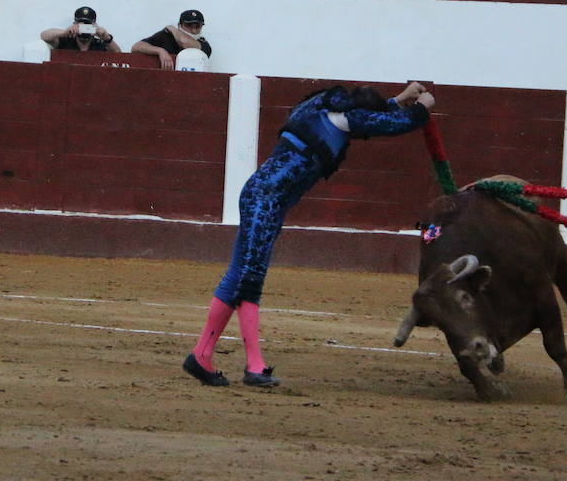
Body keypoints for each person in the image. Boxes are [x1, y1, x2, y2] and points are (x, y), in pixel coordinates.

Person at [183, 82, 434, 388]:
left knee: (238, 277)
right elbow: (391, 124)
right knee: (249, 280)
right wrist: (422, 107)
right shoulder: (348, 118)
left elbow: (369, 118)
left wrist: (398, 99)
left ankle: (201, 356)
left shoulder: (317, 106)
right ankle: (255, 366)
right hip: (267, 200)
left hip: (261, 195)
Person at [131, 9, 212, 68]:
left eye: (198, 26)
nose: (194, 30)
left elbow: (184, 42)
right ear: (180, 25)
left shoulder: (204, 44)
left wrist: (172, 28)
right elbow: (136, 47)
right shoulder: (166, 36)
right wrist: (160, 51)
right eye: (189, 26)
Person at [40, 6, 123, 49]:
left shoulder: (99, 44)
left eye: (88, 24)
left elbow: (118, 54)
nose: (84, 27)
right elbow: (44, 36)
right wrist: (64, 32)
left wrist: (106, 37)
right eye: (81, 24)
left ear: (94, 25)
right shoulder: (65, 41)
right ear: (74, 24)